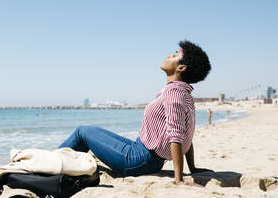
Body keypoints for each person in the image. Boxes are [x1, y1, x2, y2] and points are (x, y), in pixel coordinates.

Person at [59, 40, 211, 186]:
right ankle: (57, 163)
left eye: (175, 54)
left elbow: (177, 135)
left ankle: (50, 163)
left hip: (139, 160)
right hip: (144, 154)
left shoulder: (173, 92)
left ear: (181, 67)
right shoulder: (184, 93)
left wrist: (179, 179)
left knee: (82, 132)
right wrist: (192, 169)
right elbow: (187, 135)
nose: (169, 55)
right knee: (89, 130)